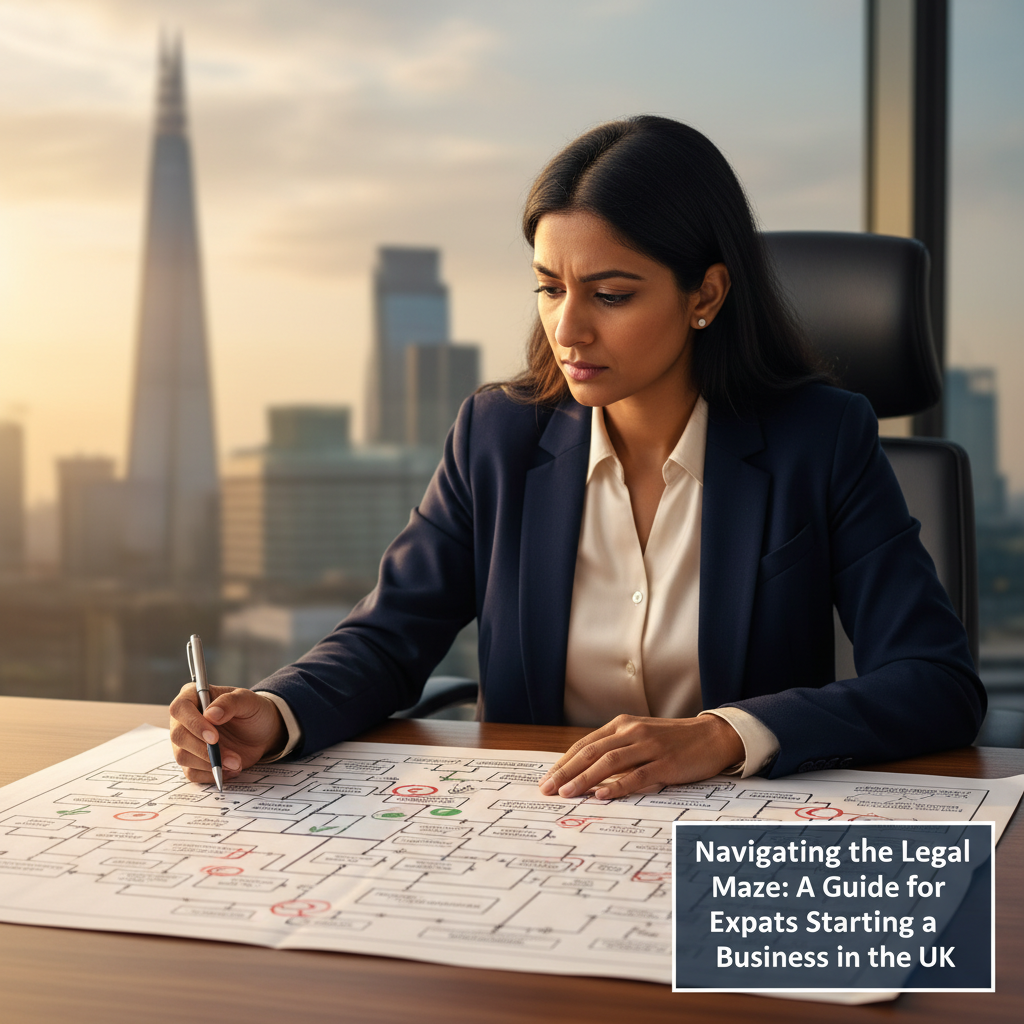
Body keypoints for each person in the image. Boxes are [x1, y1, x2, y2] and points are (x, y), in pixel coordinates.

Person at [170, 115, 983, 799]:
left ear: (705, 295)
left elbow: (935, 682)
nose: (569, 329)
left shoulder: (820, 439)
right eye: (550, 287)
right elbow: (390, 637)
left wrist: (720, 738)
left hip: (730, 827)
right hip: (542, 828)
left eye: (611, 294)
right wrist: (276, 713)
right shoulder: (497, 434)